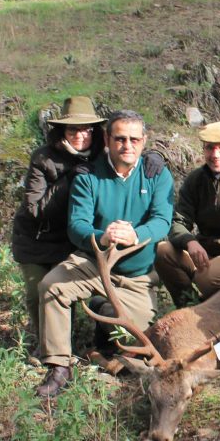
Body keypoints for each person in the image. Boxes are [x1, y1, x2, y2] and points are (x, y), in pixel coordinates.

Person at [35, 109, 174, 398]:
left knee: (141, 347)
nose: (127, 145)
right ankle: (59, 366)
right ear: (107, 140)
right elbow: (76, 226)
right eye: (120, 139)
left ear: (144, 140)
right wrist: (102, 236)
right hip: (95, 264)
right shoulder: (88, 175)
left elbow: (163, 220)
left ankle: (102, 311)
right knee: (52, 286)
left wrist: (136, 235)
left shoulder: (157, 174)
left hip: (136, 276)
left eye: (134, 139)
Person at [11, 96, 105, 354]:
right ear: (63, 130)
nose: (80, 135)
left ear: (94, 130)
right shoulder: (43, 158)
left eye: (86, 129)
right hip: (36, 241)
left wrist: (154, 156)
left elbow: (130, 155)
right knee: (36, 295)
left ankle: (68, 343)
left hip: (73, 240)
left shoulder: (102, 156)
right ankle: (47, 349)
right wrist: (69, 180)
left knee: (62, 290)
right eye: (73, 129)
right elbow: (35, 209)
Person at [154, 121, 220, 307]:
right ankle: (188, 306)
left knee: (206, 278)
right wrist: (189, 241)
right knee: (163, 252)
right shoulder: (196, 180)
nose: (215, 155)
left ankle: (219, 310)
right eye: (210, 148)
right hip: (205, 253)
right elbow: (178, 220)